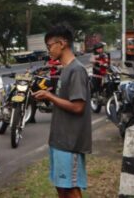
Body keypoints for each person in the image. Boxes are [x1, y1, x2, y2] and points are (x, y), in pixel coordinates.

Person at [32, 23, 92, 198]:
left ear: (62, 43)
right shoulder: (65, 70)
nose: (48, 50)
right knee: (61, 186)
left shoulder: (77, 70)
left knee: (71, 188)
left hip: (70, 142)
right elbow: (65, 100)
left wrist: (50, 97)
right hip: (59, 140)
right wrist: (47, 94)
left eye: (50, 46)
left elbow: (78, 106)